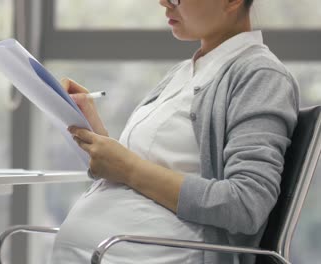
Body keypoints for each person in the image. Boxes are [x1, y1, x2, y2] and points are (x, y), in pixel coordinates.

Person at [50, 0, 300, 263]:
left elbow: (247, 204)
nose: (164, 2)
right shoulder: (183, 73)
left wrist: (128, 168)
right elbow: (144, 170)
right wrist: (92, 127)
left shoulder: (261, 75)